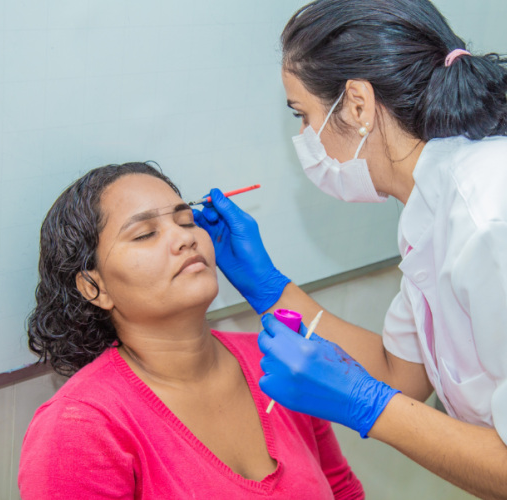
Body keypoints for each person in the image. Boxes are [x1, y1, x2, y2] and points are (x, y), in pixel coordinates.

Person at [192, 0, 507, 498]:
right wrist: (270, 288)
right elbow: (398, 372)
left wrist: (370, 408)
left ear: (357, 104)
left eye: (304, 116)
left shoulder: (497, 218)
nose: (305, 138)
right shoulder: (434, 208)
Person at [19, 162, 364, 500]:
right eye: (144, 234)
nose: (184, 237)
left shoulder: (279, 358)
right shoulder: (79, 427)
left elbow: (342, 490)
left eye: (186, 220)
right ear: (94, 287)